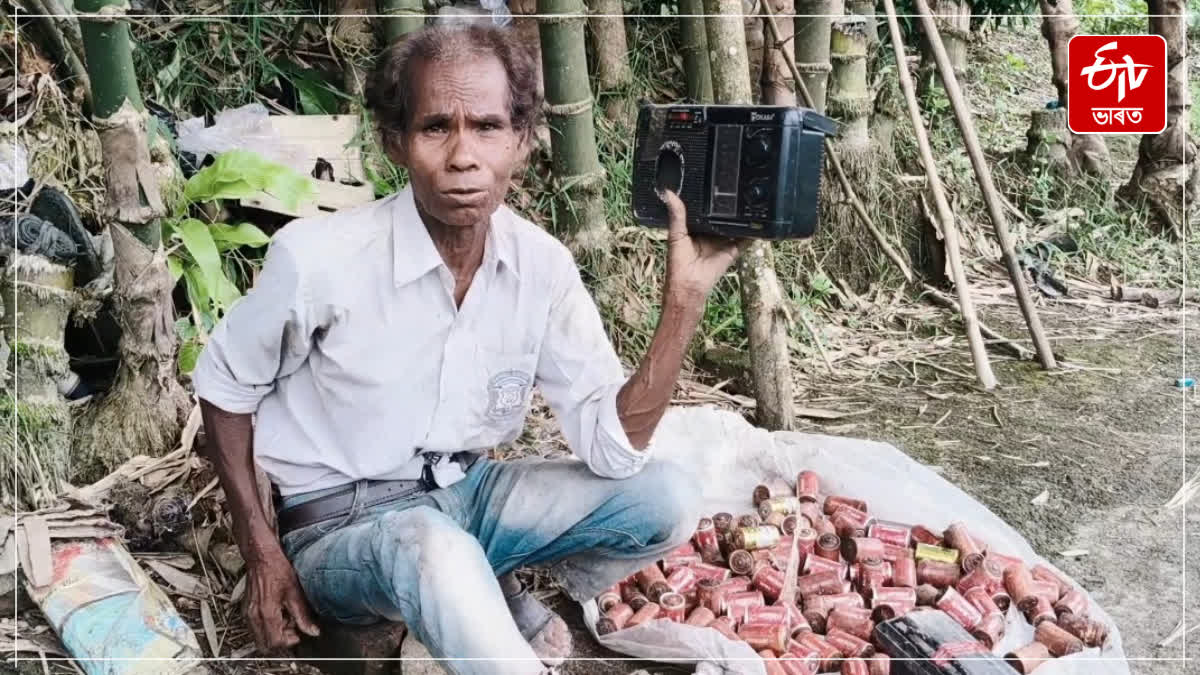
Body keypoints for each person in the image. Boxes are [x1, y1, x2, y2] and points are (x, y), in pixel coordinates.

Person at [193, 22, 742, 675]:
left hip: (470, 496)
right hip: (341, 525)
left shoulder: (542, 267)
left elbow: (612, 449)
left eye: (486, 127)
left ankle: (478, 595)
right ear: (395, 142)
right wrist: (262, 552)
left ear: (520, 141)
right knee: (433, 545)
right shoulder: (320, 261)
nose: (463, 155)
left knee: (669, 496)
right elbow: (225, 385)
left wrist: (681, 304)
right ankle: (474, 605)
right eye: (435, 128)